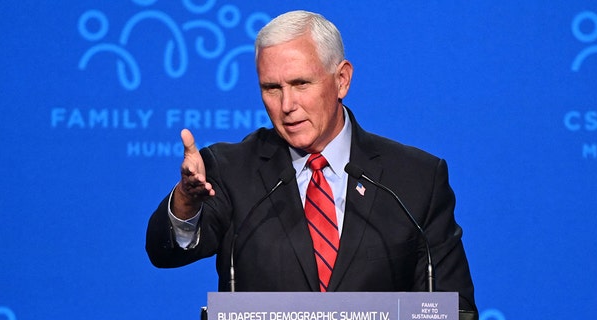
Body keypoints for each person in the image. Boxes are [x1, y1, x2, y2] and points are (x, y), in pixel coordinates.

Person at [146, 10, 477, 314]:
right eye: (272, 88)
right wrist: (186, 204)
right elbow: (166, 253)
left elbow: (455, 308)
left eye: (301, 83)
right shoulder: (230, 169)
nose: (287, 104)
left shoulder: (415, 178)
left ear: (342, 80)